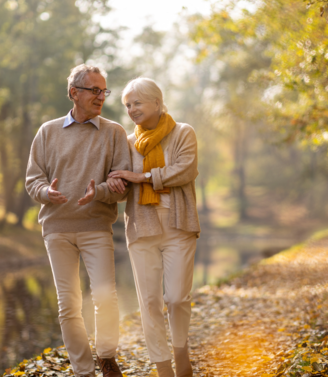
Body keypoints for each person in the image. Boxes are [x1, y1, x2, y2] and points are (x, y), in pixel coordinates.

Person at [25, 64, 129, 377]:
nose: (101, 96)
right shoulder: (47, 131)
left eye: (104, 90)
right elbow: (32, 180)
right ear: (74, 93)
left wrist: (97, 192)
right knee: (68, 304)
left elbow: (122, 186)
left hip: (96, 227)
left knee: (105, 295)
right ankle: (83, 370)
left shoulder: (114, 133)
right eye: (94, 90)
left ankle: (107, 356)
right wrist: (46, 192)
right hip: (56, 230)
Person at [107, 78, 200, 377]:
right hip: (142, 229)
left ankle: (181, 352)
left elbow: (185, 171)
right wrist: (112, 183)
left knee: (176, 298)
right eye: (128, 105)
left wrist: (143, 177)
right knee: (149, 302)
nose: (132, 109)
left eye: (137, 103)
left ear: (157, 103)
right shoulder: (127, 142)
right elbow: (121, 186)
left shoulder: (183, 133)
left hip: (178, 227)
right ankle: (163, 369)